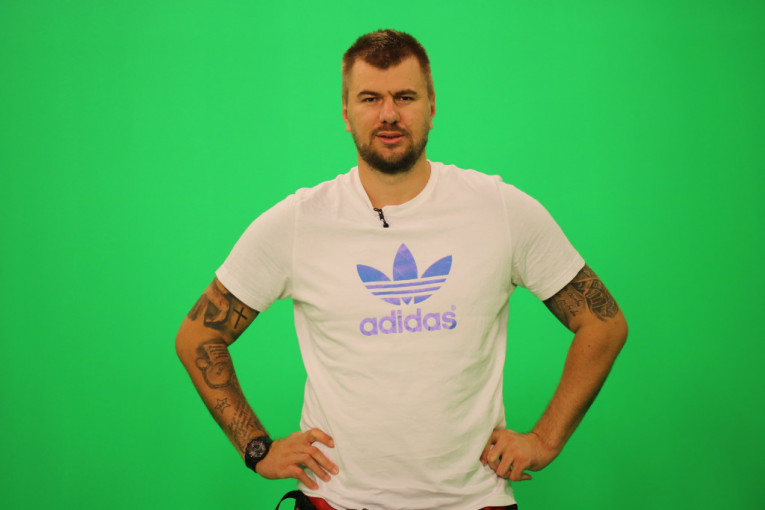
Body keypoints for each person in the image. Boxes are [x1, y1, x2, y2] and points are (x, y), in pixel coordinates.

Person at [176, 29, 627, 510]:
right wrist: (257, 449)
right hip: (338, 500)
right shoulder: (300, 221)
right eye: (370, 98)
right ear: (346, 112)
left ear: (432, 107)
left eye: (405, 97)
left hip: (473, 499)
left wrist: (544, 440)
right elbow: (198, 336)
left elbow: (603, 323)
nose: (388, 114)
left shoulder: (499, 209)